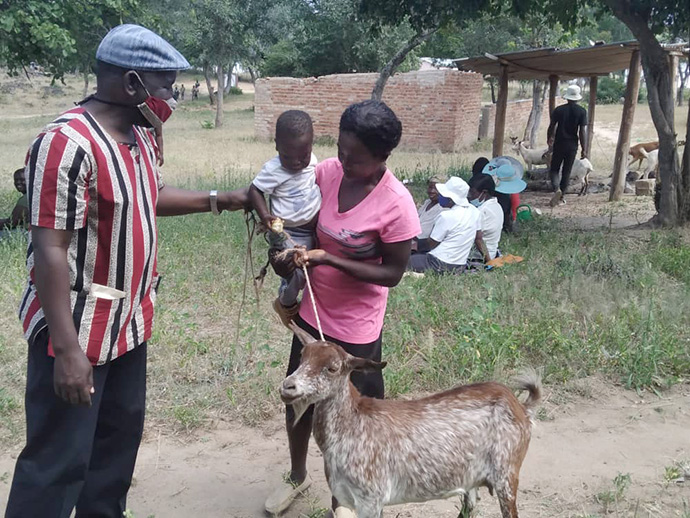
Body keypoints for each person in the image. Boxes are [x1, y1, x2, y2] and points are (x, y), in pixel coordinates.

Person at [5, 24, 248, 518]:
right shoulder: (66, 144)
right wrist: (68, 353)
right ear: (133, 83)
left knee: (114, 454)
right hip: (75, 331)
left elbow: (148, 197)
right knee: (58, 462)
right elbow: (50, 248)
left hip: (128, 325)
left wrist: (225, 198)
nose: (171, 98)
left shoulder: (141, 135)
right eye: (166, 86)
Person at [265, 100, 420, 518]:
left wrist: (330, 259)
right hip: (314, 316)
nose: (344, 161)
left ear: (383, 157)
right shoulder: (327, 174)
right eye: (342, 150)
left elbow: (392, 273)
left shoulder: (396, 204)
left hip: (357, 328)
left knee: (352, 419)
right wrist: (287, 254)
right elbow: (303, 222)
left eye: (356, 157)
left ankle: (345, 501)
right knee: (296, 397)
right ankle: (296, 477)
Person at [248, 110, 320, 327]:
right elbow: (255, 190)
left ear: (311, 146)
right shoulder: (273, 169)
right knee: (297, 270)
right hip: (288, 232)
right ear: (277, 145)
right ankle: (285, 302)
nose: (297, 162)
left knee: (313, 270)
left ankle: (305, 301)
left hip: (313, 229)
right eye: (288, 156)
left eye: (303, 155)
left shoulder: (314, 161)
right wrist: (265, 216)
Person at [407, 176, 489, 274]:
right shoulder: (474, 212)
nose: (440, 196)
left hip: (438, 262)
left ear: (451, 199)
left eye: (443, 194)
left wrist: (413, 246)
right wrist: (489, 261)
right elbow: (478, 239)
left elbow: (431, 244)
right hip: (459, 265)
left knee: (402, 261)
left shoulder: (446, 216)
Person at [547, 84, 588, 206]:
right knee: (566, 171)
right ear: (577, 98)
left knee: (554, 169)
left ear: (567, 97)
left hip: (559, 143)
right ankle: (561, 196)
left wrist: (549, 138)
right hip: (572, 145)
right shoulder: (581, 111)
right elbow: (582, 131)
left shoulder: (558, 110)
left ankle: (556, 189)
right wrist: (584, 148)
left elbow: (552, 126)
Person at [412, 175, 445, 253]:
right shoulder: (427, 202)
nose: (432, 191)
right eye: (430, 187)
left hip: (422, 244)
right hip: (411, 237)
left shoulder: (443, 209)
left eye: (436, 189)